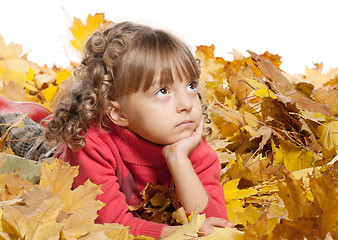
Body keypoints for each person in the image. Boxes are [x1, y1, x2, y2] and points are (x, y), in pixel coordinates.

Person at [44, 22, 230, 239]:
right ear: (120, 113)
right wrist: (178, 232)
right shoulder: (91, 144)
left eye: (190, 86)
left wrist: (179, 160)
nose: (187, 104)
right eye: (163, 91)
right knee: (17, 127)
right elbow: (109, 225)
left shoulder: (188, 139)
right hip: (49, 156)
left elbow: (216, 223)